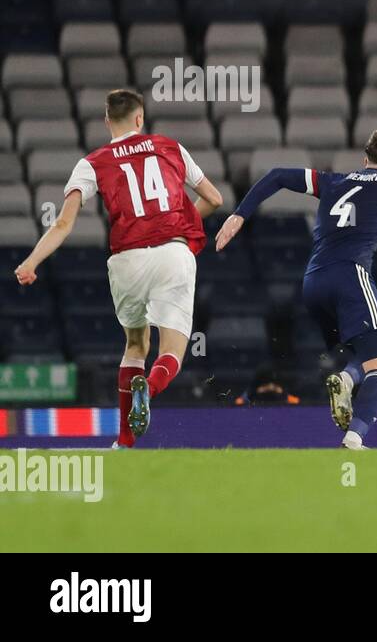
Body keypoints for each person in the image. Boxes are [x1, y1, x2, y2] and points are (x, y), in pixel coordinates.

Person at [13, 89, 224, 447]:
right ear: (140, 118)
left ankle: (124, 442)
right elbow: (214, 199)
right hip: (173, 254)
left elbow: (64, 223)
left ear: (107, 120)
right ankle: (151, 388)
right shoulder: (171, 147)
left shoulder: (93, 162)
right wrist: (178, 223)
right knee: (170, 351)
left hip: (127, 260)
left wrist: (31, 261)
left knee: (135, 346)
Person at [215, 129, 377, 450]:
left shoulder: (333, 181)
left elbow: (276, 175)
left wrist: (239, 215)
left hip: (314, 282)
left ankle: (347, 378)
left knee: (365, 355)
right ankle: (354, 437)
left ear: (364, 161)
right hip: (351, 275)